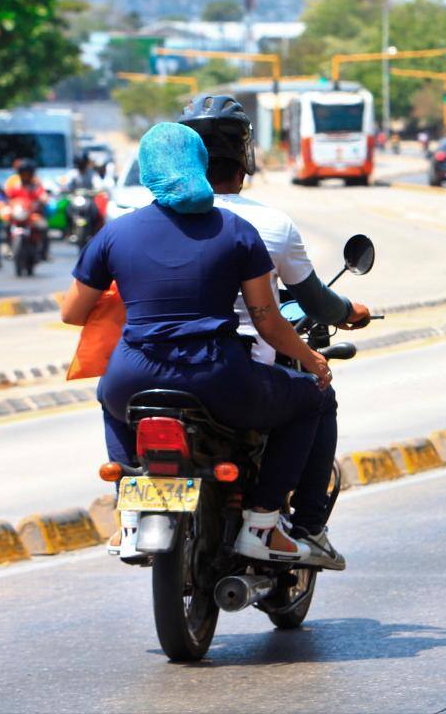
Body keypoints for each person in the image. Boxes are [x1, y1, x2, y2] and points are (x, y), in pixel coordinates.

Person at [60, 122, 338, 567]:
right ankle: (262, 524)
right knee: (311, 400)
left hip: (131, 377)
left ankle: (130, 516)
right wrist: (312, 360)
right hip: (218, 379)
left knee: (108, 399)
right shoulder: (236, 230)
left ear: (147, 173)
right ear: (201, 165)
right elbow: (268, 322)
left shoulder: (115, 234)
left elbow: (73, 313)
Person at [179, 94, 368, 569]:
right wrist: (340, 321)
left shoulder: (147, 221)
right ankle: (294, 525)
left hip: (147, 367)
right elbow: (279, 313)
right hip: (236, 371)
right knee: (316, 397)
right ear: (244, 156)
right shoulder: (262, 224)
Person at [6, 159, 51, 261]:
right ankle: (9, 248)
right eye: (23, 173)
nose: (25, 176)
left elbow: (43, 196)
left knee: (43, 227)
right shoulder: (15, 187)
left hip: (32, 216)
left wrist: (43, 200)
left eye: (28, 173)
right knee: (6, 225)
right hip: (18, 215)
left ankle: (44, 253)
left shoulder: (36, 187)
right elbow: (7, 198)